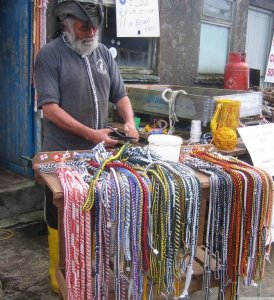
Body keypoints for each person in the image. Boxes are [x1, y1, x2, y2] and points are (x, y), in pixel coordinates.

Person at [34, 0, 139, 293]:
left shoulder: (103, 52)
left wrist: (129, 121)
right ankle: (61, 278)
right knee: (61, 215)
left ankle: (88, 272)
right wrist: (92, 134)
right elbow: (50, 108)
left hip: (98, 156)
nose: (91, 32)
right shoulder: (49, 55)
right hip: (61, 156)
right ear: (67, 24)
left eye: (95, 27)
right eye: (84, 27)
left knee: (95, 214)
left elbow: (121, 95)